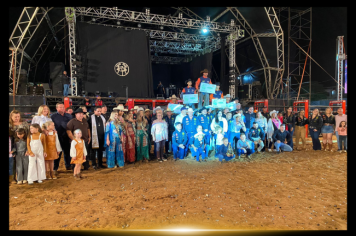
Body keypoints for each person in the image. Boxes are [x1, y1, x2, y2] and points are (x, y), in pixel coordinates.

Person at [51, 103, 73, 175]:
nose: (62, 108)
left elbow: (72, 126)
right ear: (57, 108)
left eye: (63, 107)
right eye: (60, 107)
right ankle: (55, 168)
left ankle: (68, 165)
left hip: (67, 137)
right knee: (58, 152)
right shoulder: (53, 116)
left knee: (68, 152)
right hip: (58, 137)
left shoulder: (69, 116)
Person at [9, 110, 30, 183]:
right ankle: (14, 178)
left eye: (18, 116)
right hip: (12, 144)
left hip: (23, 144)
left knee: (24, 162)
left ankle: (25, 177)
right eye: (15, 117)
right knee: (14, 162)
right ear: (11, 117)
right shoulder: (9, 125)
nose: (17, 118)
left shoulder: (24, 124)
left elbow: (28, 134)